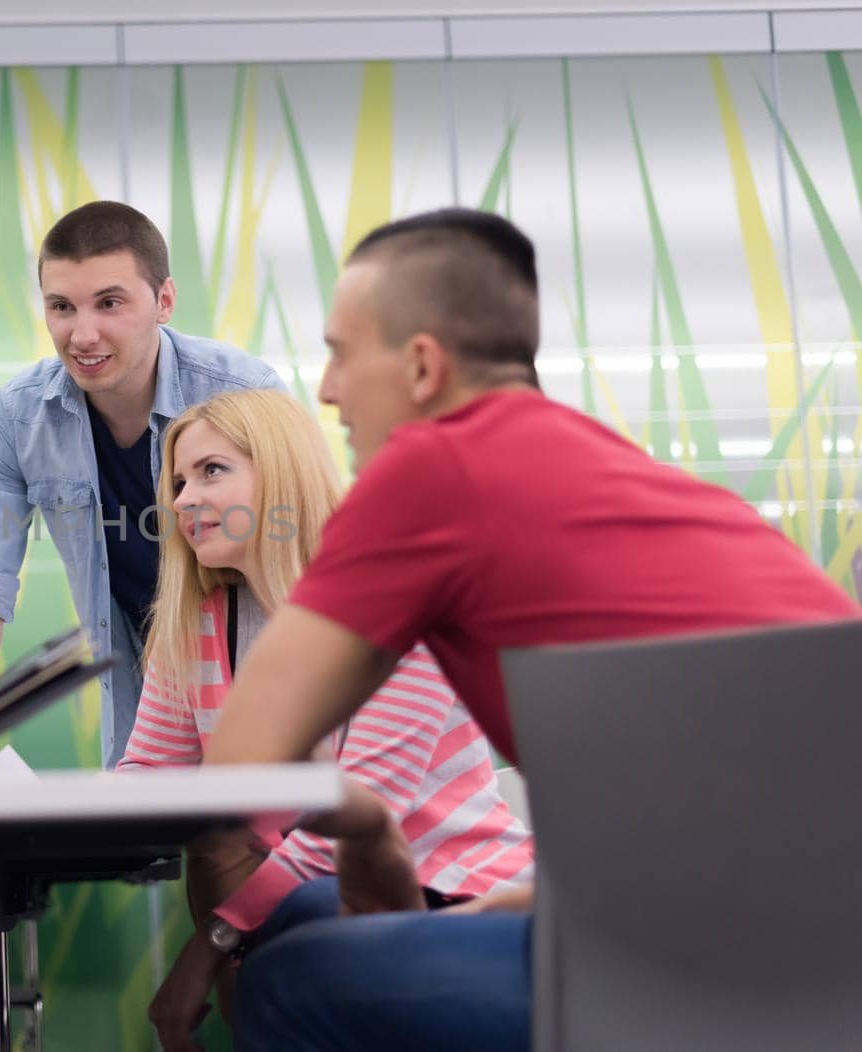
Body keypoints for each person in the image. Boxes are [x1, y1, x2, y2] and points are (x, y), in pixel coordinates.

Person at [188, 208, 861, 1050]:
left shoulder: (429, 468)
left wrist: (369, 828)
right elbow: (742, 793)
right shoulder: (624, 476)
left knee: (291, 981)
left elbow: (241, 761)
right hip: (820, 947)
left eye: (341, 352)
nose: (327, 389)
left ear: (424, 366)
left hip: (720, 964)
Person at [114, 388, 531, 1051]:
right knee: (244, 868)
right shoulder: (194, 623)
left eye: (212, 471)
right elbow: (147, 774)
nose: (185, 498)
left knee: (297, 909)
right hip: (307, 901)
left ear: (281, 472)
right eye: (178, 481)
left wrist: (211, 945)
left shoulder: (392, 606)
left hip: (454, 894)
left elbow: (360, 824)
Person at [0, 200, 286, 766]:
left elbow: (297, 567)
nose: (82, 334)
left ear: (164, 300)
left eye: (110, 303)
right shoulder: (16, 419)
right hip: (146, 686)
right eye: (61, 307)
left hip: (257, 668)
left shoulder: (245, 393)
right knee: (143, 840)